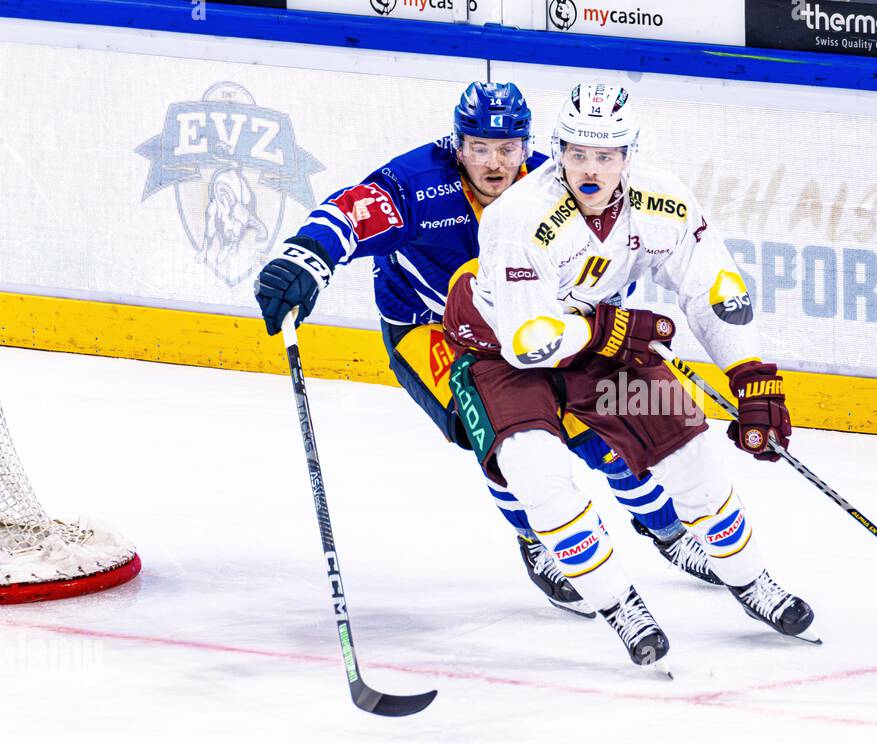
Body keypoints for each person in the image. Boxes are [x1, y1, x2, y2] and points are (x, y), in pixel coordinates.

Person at [253, 82, 720, 619]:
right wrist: (306, 257)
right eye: (479, 147)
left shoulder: (558, 183)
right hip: (430, 329)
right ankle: (537, 542)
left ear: (528, 146)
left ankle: (668, 532)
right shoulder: (416, 182)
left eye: (507, 147)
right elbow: (349, 215)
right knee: (498, 437)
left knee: (601, 429)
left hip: (529, 325)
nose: (494, 162)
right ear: (457, 144)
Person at [442, 83, 818, 671]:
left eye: (606, 155)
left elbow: (714, 287)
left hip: (600, 341)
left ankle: (750, 581)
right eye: (577, 154)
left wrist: (753, 378)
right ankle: (621, 606)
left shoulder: (663, 200)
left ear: (629, 153)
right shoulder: (517, 217)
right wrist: (611, 329)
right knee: (535, 471)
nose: (590, 170)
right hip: (499, 356)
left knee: (693, 457)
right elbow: (529, 341)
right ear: (557, 150)